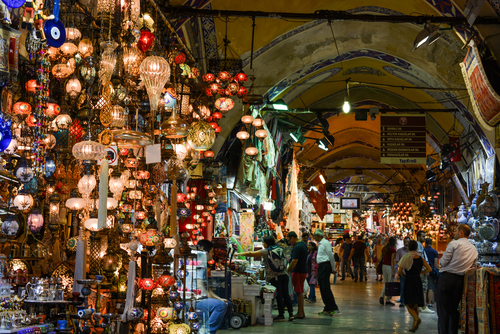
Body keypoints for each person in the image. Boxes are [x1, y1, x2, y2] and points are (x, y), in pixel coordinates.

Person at [238, 236, 294, 321]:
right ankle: (291, 314)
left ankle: (281, 315)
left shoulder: (267, 251)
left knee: (279, 294)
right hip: (284, 274)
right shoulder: (280, 249)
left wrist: (238, 254)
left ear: (267, 243)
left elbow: (251, 254)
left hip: (274, 276)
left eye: (264, 242)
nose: (263, 244)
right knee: (286, 294)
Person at [436, 224, 478, 334]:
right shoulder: (473, 249)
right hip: (460, 281)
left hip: (446, 278)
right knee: (453, 310)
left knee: (443, 311)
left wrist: (440, 263)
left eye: (455, 231)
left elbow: (444, 261)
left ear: (461, 233)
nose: (454, 233)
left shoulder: (454, 244)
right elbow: (474, 266)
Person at [398, 240, 433, 332]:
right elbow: (429, 268)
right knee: (416, 303)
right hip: (418, 280)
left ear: (409, 247)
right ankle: (414, 325)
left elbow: (400, 270)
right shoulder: (420, 258)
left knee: (408, 302)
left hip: (409, 280)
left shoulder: (406, 257)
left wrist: (404, 276)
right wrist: (421, 272)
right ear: (417, 248)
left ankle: (416, 319)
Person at [195, 240, 229, 334]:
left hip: (201, 298)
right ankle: (209, 331)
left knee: (227, 304)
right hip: (195, 301)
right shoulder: (198, 266)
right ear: (206, 252)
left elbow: (207, 288)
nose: (213, 254)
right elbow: (203, 290)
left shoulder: (202, 265)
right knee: (221, 305)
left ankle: (206, 327)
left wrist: (220, 298)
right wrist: (220, 301)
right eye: (212, 251)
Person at [313, 229, 340, 316]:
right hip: (322, 266)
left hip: (325, 266)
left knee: (325, 287)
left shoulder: (325, 243)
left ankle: (333, 307)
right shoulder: (320, 244)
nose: (314, 237)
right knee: (322, 287)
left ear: (319, 236)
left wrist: (333, 268)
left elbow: (330, 255)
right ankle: (327, 307)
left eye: (315, 236)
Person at [286, 231, 308, 319]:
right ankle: (301, 312)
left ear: (292, 238)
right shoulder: (302, 244)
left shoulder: (297, 247)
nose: (288, 242)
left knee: (299, 292)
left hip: (298, 271)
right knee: (300, 292)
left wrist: (287, 271)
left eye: (289, 240)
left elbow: (294, 261)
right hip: (302, 270)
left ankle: (300, 313)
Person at [416, 231, 433, 314]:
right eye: (423, 236)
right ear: (418, 237)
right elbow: (420, 257)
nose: (424, 238)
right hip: (422, 270)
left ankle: (420, 305)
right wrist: (425, 268)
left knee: (421, 287)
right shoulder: (419, 245)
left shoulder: (419, 245)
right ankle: (423, 306)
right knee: (424, 288)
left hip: (421, 269)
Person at [379, 236, 397, 306]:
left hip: (384, 266)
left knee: (386, 283)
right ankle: (387, 300)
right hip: (389, 267)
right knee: (390, 284)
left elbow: (380, 258)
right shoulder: (393, 250)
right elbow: (392, 261)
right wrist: (393, 271)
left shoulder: (384, 248)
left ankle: (382, 297)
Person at [423, 238, 439, 309]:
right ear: (432, 243)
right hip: (431, 270)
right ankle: (429, 303)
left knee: (424, 288)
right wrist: (437, 271)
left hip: (424, 270)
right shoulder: (435, 251)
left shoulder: (423, 250)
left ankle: (424, 303)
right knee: (430, 287)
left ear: (425, 244)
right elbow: (436, 263)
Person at [395, 236, 410, 307]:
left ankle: (409, 301)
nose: (406, 243)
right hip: (402, 272)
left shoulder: (412, 252)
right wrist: (401, 266)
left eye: (408, 242)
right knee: (402, 286)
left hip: (411, 272)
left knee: (410, 286)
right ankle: (402, 301)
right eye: (405, 242)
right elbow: (397, 261)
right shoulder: (399, 251)